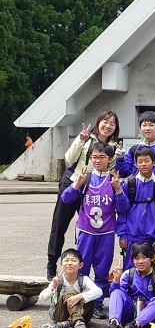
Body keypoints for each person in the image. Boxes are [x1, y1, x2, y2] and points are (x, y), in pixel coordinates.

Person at [46, 110, 119, 280]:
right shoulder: (86, 139)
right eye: (105, 121)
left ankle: (81, 271)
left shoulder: (113, 148)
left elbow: (111, 172)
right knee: (59, 225)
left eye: (112, 123)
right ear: (98, 122)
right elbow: (69, 158)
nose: (108, 126)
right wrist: (80, 139)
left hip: (93, 191)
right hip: (74, 183)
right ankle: (51, 263)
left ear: (116, 127)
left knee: (86, 229)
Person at [60, 141, 126, 319]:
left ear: (109, 159)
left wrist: (119, 190)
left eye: (102, 157)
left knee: (102, 271)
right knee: (82, 268)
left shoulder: (114, 180)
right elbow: (65, 199)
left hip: (106, 233)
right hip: (86, 232)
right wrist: (76, 185)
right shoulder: (85, 178)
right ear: (89, 158)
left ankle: (97, 304)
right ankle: (78, 301)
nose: (98, 160)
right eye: (94, 157)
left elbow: (123, 208)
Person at [116, 146, 155, 270]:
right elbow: (122, 212)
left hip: (152, 239)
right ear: (135, 164)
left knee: (152, 273)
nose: (143, 164)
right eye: (140, 161)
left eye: (147, 161)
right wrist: (122, 235)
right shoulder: (129, 184)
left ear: (154, 162)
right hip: (131, 237)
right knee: (130, 273)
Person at [104, 242, 155, 328]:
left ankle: (134, 325)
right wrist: (116, 281)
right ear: (132, 260)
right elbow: (117, 296)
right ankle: (114, 324)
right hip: (130, 313)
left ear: (152, 258)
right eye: (136, 258)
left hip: (149, 315)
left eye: (144, 257)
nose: (140, 261)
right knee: (116, 292)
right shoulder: (128, 274)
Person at [37, 248, 102, 328]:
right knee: (70, 291)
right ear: (61, 265)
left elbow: (99, 292)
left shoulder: (84, 279)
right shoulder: (59, 280)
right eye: (66, 260)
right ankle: (78, 322)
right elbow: (41, 298)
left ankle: (69, 324)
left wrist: (79, 296)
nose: (69, 263)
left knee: (90, 294)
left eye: (73, 260)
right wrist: (53, 287)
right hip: (60, 314)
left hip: (83, 314)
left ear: (80, 265)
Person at [116, 110, 155, 177]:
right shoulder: (134, 149)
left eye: (151, 125)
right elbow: (125, 173)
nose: (147, 128)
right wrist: (120, 159)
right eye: (144, 125)